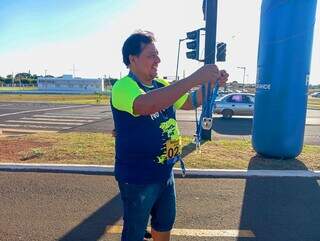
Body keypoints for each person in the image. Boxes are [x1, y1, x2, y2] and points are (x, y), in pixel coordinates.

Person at [111, 30, 228, 241]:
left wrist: (212, 84)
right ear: (132, 59)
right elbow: (147, 105)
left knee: (164, 224)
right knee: (135, 232)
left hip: (165, 172)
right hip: (137, 177)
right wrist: (193, 78)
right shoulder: (124, 86)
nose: (158, 60)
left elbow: (190, 101)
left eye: (157, 55)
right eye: (151, 55)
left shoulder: (163, 85)